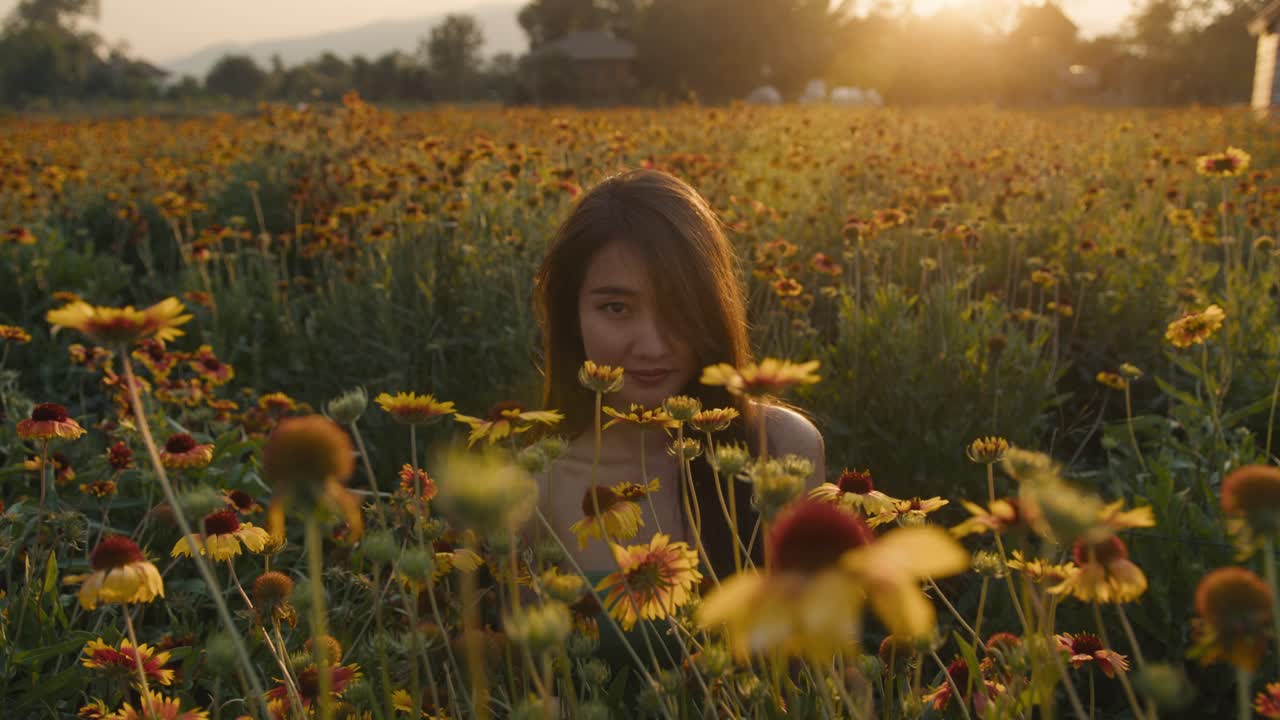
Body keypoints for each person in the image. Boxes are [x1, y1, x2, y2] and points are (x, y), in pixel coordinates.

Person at [530, 168, 826, 588]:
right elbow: (515, 653)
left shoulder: (782, 450)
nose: (651, 345)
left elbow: (827, 645)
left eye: (678, 305)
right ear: (571, 315)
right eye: (616, 308)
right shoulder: (534, 491)